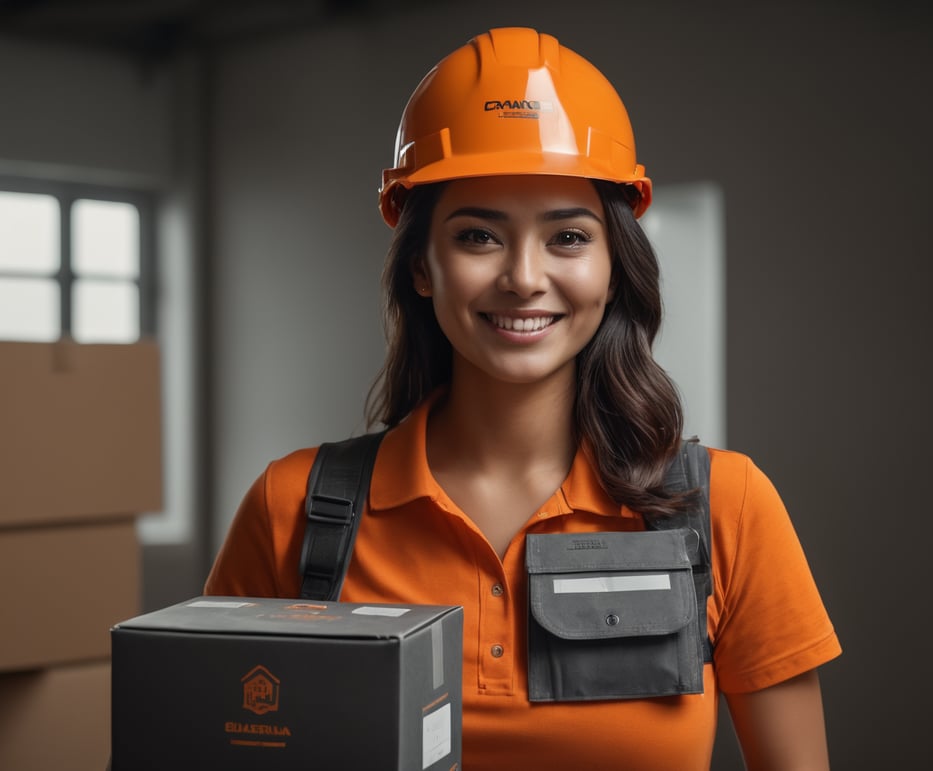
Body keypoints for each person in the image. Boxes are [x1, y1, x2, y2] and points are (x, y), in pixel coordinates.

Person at [205, 26, 841, 770]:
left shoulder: (726, 507)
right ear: (421, 266)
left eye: (568, 237)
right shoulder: (291, 510)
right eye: (478, 236)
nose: (524, 277)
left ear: (613, 265)